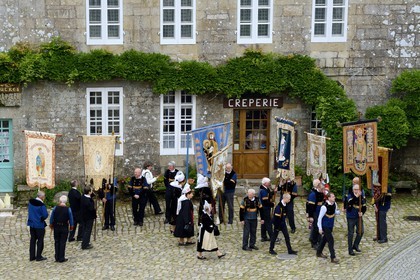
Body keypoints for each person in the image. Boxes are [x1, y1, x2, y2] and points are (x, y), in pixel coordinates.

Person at [316, 192, 340, 264]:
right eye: (332, 197)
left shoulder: (334, 204)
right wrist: (320, 228)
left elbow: (334, 212)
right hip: (325, 225)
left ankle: (319, 252)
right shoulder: (324, 207)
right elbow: (319, 218)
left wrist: (339, 211)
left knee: (324, 239)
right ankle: (333, 257)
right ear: (328, 198)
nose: (334, 198)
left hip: (330, 225)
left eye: (334, 196)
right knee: (330, 240)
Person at [49, 195, 74, 263]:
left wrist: (51, 224)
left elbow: (52, 217)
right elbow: (71, 218)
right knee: (62, 242)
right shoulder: (68, 209)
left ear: (60, 201)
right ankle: (61, 257)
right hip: (64, 227)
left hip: (56, 226)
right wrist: (72, 226)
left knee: (57, 241)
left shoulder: (55, 208)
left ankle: (57, 256)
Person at [27, 191, 49, 261]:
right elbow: (45, 215)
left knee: (33, 239)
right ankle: (39, 256)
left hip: (32, 224)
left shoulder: (31, 203)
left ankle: (32, 256)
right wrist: (42, 218)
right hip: (39, 225)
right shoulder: (41, 205)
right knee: (40, 240)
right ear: (42, 197)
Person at [346, 184, 366, 256]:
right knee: (351, 233)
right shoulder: (350, 196)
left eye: (358, 189)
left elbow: (364, 206)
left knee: (361, 231)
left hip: (358, 217)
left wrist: (362, 212)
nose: (356, 191)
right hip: (351, 217)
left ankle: (355, 245)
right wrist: (356, 197)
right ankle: (350, 249)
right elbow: (349, 205)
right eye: (355, 190)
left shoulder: (361, 197)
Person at [306, 179, 325, 249]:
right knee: (316, 227)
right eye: (322, 189)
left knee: (318, 226)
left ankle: (318, 240)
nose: (323, 190)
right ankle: (314, 242)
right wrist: (310, 216)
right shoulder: (313, 194)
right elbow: (310, 206)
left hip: (319, 212)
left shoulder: (319, 193)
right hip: (315, 212)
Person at [80, 185, 97, 250]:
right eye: (91, 191)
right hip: (88, 217)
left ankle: (86, 242)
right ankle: (85, 244)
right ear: (89, 192)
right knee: (87, 231)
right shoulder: (88, 201)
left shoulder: (83, 197)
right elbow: (91, 209)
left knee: (85, 230)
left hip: (83, 216)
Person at [259, 177, 274, 242]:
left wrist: (273, 192)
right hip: (265, 208)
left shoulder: (266, 189)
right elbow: (265, 202)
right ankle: (272, 236)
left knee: (264, 223)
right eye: (268, 183)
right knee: (268, 222)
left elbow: (269, 194)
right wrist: (272, 204)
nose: (269, 184)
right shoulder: (263, 191)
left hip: (265, 208)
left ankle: (264, 236)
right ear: (265, 183)